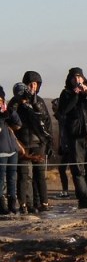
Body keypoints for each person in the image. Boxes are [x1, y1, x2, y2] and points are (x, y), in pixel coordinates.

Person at [56, 67, 87, 208]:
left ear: (83, 78)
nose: (77, 80)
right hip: (76, 138)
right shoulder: (66, 93)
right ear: (70, 80)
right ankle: (83, 199)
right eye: (74, 77)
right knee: (78, 171)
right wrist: (75, 95)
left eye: (79, 77)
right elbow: (63, 111)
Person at [12, 73, 53, 213]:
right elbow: (10, 117)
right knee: (24, 176)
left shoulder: (39, 101)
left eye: (35, 84)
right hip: (22, 143)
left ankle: (43, 203)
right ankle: (25, 204)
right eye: (30, 84)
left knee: (40, 174)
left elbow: (47, 122)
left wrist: (50, 143)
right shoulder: (16, 100)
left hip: (38, 142)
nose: (32, 87)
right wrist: (19, 102)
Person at [0, 87, 22, 215]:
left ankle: (12, 203)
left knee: (12, 178)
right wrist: (2, 117)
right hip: (1, 151)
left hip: (12, 149)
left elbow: (18, 124)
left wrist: (10, 112)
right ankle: (1, 205)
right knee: (0, 179)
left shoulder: (6, 111)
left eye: (1, 100)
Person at [50, 97, 70, 198]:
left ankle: (80, 192)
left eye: (55, 107)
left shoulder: (65, 117)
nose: (53, 109)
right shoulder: (61, 118)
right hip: (66, 146)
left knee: (75, 170)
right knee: (62, 169)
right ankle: (66, 191)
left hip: (70, 147)